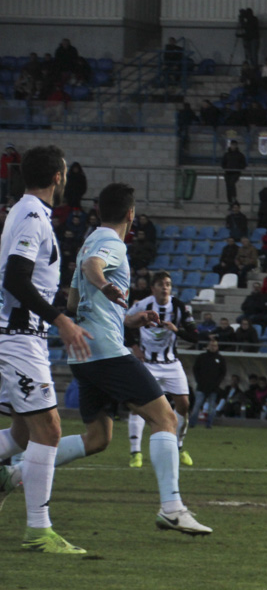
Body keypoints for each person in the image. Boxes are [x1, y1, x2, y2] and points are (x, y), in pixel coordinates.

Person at [5, 182, 213, 543]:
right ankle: (172, 508)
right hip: (105, 352)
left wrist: (129, 320)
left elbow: (72, 302)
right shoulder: (110, 243)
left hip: (85, 355)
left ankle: (17, 473)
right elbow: (91, 266)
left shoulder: (88, 237)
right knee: (165, 418)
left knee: (98, 438)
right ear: (131, 215)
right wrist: (103, 285)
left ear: (99, 211)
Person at [0, 145, 92, 553]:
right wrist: (61, 319)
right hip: (19, 336)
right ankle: (38, 530)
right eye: (66, 172)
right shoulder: (33, 216)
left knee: (23, 431)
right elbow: (16, 279)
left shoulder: (25, 212)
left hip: (20, 333)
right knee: (50, 430)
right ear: (57, 176)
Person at [125, 271, 199, 468]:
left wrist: (177, 330)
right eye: (161, 284)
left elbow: (195, 336)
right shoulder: (142, 305)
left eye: (168, 284)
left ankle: (179, 446)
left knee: (183, 405)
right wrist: (133, 346)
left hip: (171, 364)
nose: (165, 287)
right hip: (148, 363)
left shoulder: (180, 307)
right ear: (153, 288)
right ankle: (135, 452)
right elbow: (123, 323)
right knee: (138, 405)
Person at [189, 338, 226, 429]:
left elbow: (223, 373)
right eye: (212, 345)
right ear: (208, 346)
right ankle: (192, 423)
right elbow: (195, 369)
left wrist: (217, 383)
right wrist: (199, 381)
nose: (213, 347)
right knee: (197, 406)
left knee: (211, 407)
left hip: (214, 388)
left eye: (215, 345)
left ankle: (209, 424)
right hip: (201, 386)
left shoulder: (220, 359)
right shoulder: (202, 357)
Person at [221, 140, 247, 207]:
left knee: (232, 183)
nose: (233, 146)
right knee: (228, 187)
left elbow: (244, 164)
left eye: (234, 145)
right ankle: (230, 203)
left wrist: (238, 168)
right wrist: (226, 168)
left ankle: (234, 198)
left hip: (235, 173)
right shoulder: (227, 154)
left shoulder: (240, 155)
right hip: (228, 173)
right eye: (232, 145)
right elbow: (223, 163)